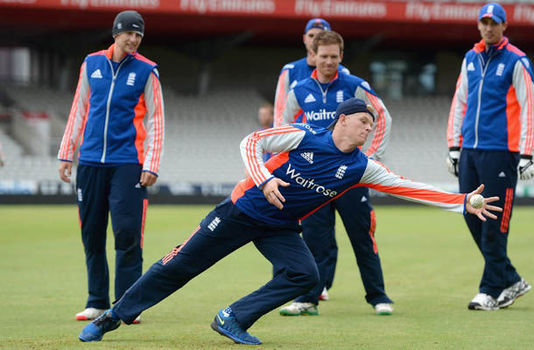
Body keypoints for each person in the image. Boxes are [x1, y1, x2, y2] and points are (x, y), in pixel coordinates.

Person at [78, 97, 501, 345]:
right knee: (180, 266)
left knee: (304, 276)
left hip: (280, 227)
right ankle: (112, 316)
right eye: (363, 122)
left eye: (372, 126)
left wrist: (463, 201)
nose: (368, 130)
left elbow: (407, 186)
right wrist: (263, 181)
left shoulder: (360, 167)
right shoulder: (304, 136)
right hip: (241, 210)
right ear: (342, 120)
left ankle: (232, 318)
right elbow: (250, 142)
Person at [57, 10, 165, 322]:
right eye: (129, 33)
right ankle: (97, 301)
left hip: (128, 163)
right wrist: (67, 154)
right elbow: (79, 108)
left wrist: (151, 162)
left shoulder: (148, 71)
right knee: (91, 234)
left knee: (127, 233)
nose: (133, 40)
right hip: (89, 162)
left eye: (139, 35)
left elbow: (156, 121)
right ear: (115, 33)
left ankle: (127, 306)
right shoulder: (91, 64)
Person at [278, 30, 394, 316]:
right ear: (313, 56)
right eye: (323, 56)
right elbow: (283, 130)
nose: (328, 61)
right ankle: (308, 298)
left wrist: (371, 156)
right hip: (314, 180)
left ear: (341, 56)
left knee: (362, 237)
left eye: (334, 56)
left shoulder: (355, 85)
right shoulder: (299, 90)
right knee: (316, 240)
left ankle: (378, 297)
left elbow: (383, 116)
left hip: (351, 179)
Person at [446, 2, 534, 311]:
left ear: (504, 26)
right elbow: (459, 102)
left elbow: (529, 108)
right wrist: (453, 146)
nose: (488, 27)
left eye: (493, 23)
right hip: (470, 150)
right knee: (472, 213)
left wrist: (526, 153)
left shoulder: (517, 61)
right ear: (478, 26)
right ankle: (511, 279)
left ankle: (489, 290)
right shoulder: (470, 58)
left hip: (502, 151)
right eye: (483, 22)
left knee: (494, 221)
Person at [273, 18, 348, 301]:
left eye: (331, 52)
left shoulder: (343, 75)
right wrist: (278, 154)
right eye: (313, 36)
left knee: (325, 230)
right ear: (307, 41)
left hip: (333, 164)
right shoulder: (290, 72)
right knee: (290, 223)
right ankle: (287, 280)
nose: (326, 57)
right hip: (300, 163)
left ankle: (321, 284)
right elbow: (283, 113)